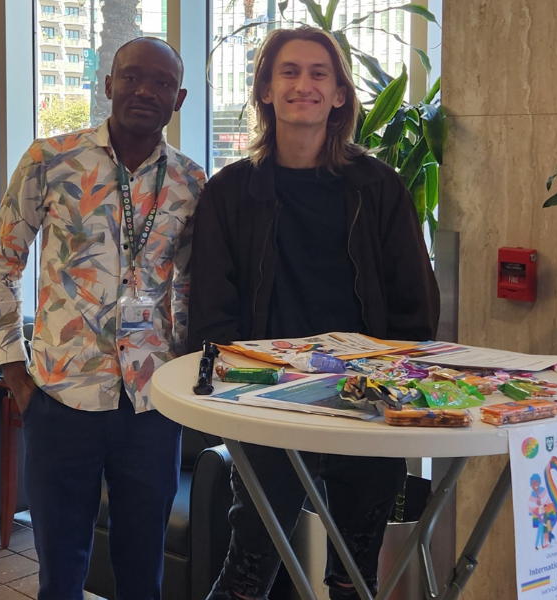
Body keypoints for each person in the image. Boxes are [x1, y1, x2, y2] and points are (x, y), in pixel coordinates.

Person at [188, 26, 440, 600]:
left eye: (319, 73)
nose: (304, 84)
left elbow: (414, 303)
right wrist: (242, 390)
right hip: (265, 401)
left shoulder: (378, 186)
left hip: (366, 399)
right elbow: (211, 313)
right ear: (266, 92)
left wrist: (392, 385)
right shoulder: (229, 192)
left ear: (340, 94)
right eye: (289, 72)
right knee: (249, 567)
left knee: (354, 575)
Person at [0, 37, 205, 600]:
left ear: (178, 98)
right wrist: (14, 370)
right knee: (60, 572)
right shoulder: (50, 160)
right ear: (108, 84)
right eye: (131, 77)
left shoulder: (191, 181)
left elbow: (193, 285)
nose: (144, 91)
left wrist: (186, 373)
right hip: (60, 399)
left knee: (142, 573)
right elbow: (2, 265)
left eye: (160, 83)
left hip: (152, 406)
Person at [528, 474, 548, 550]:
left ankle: (542, 545)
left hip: (544, 520)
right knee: (539, 534)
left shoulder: (544, 491)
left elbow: (547, 503)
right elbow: (531, 510)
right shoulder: (531, 498)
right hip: (539, 522)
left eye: (536, 482)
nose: (535, 484)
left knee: (543, 534)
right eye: (533, 483)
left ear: (539, 482)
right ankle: (536, 545)